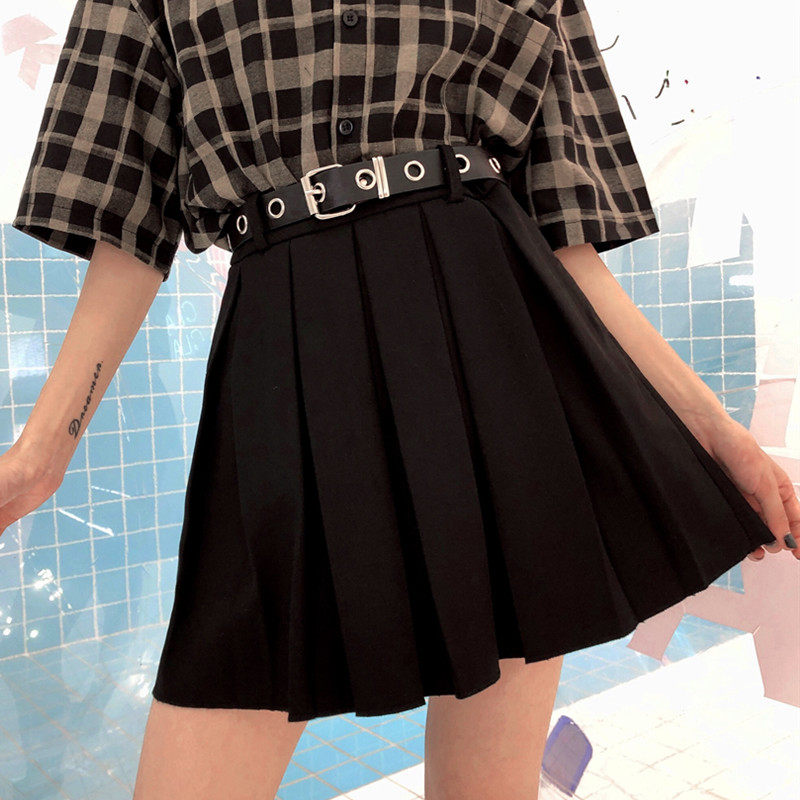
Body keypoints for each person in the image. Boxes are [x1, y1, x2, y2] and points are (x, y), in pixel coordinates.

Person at [5, 0, 798, 798]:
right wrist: (42, 455)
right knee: (221, 687)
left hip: (497, 343)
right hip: (283, 353)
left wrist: (715, 432)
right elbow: (127, 224)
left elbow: (565, 238)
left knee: (488, 788)